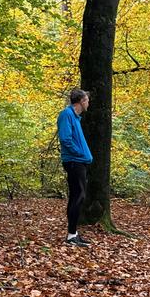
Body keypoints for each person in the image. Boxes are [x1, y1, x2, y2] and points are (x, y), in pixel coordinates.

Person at [57, 88, 93, 247]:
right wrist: (79, 153)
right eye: (87, 100)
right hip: (74, 161)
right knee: (79, 196)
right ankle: (71, 236)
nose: (88, 103)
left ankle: (73, 234)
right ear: (80, 101)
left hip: (79, 162)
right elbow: (66, 139)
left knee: (77, 196)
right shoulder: (66, 114)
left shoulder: (75, 117)